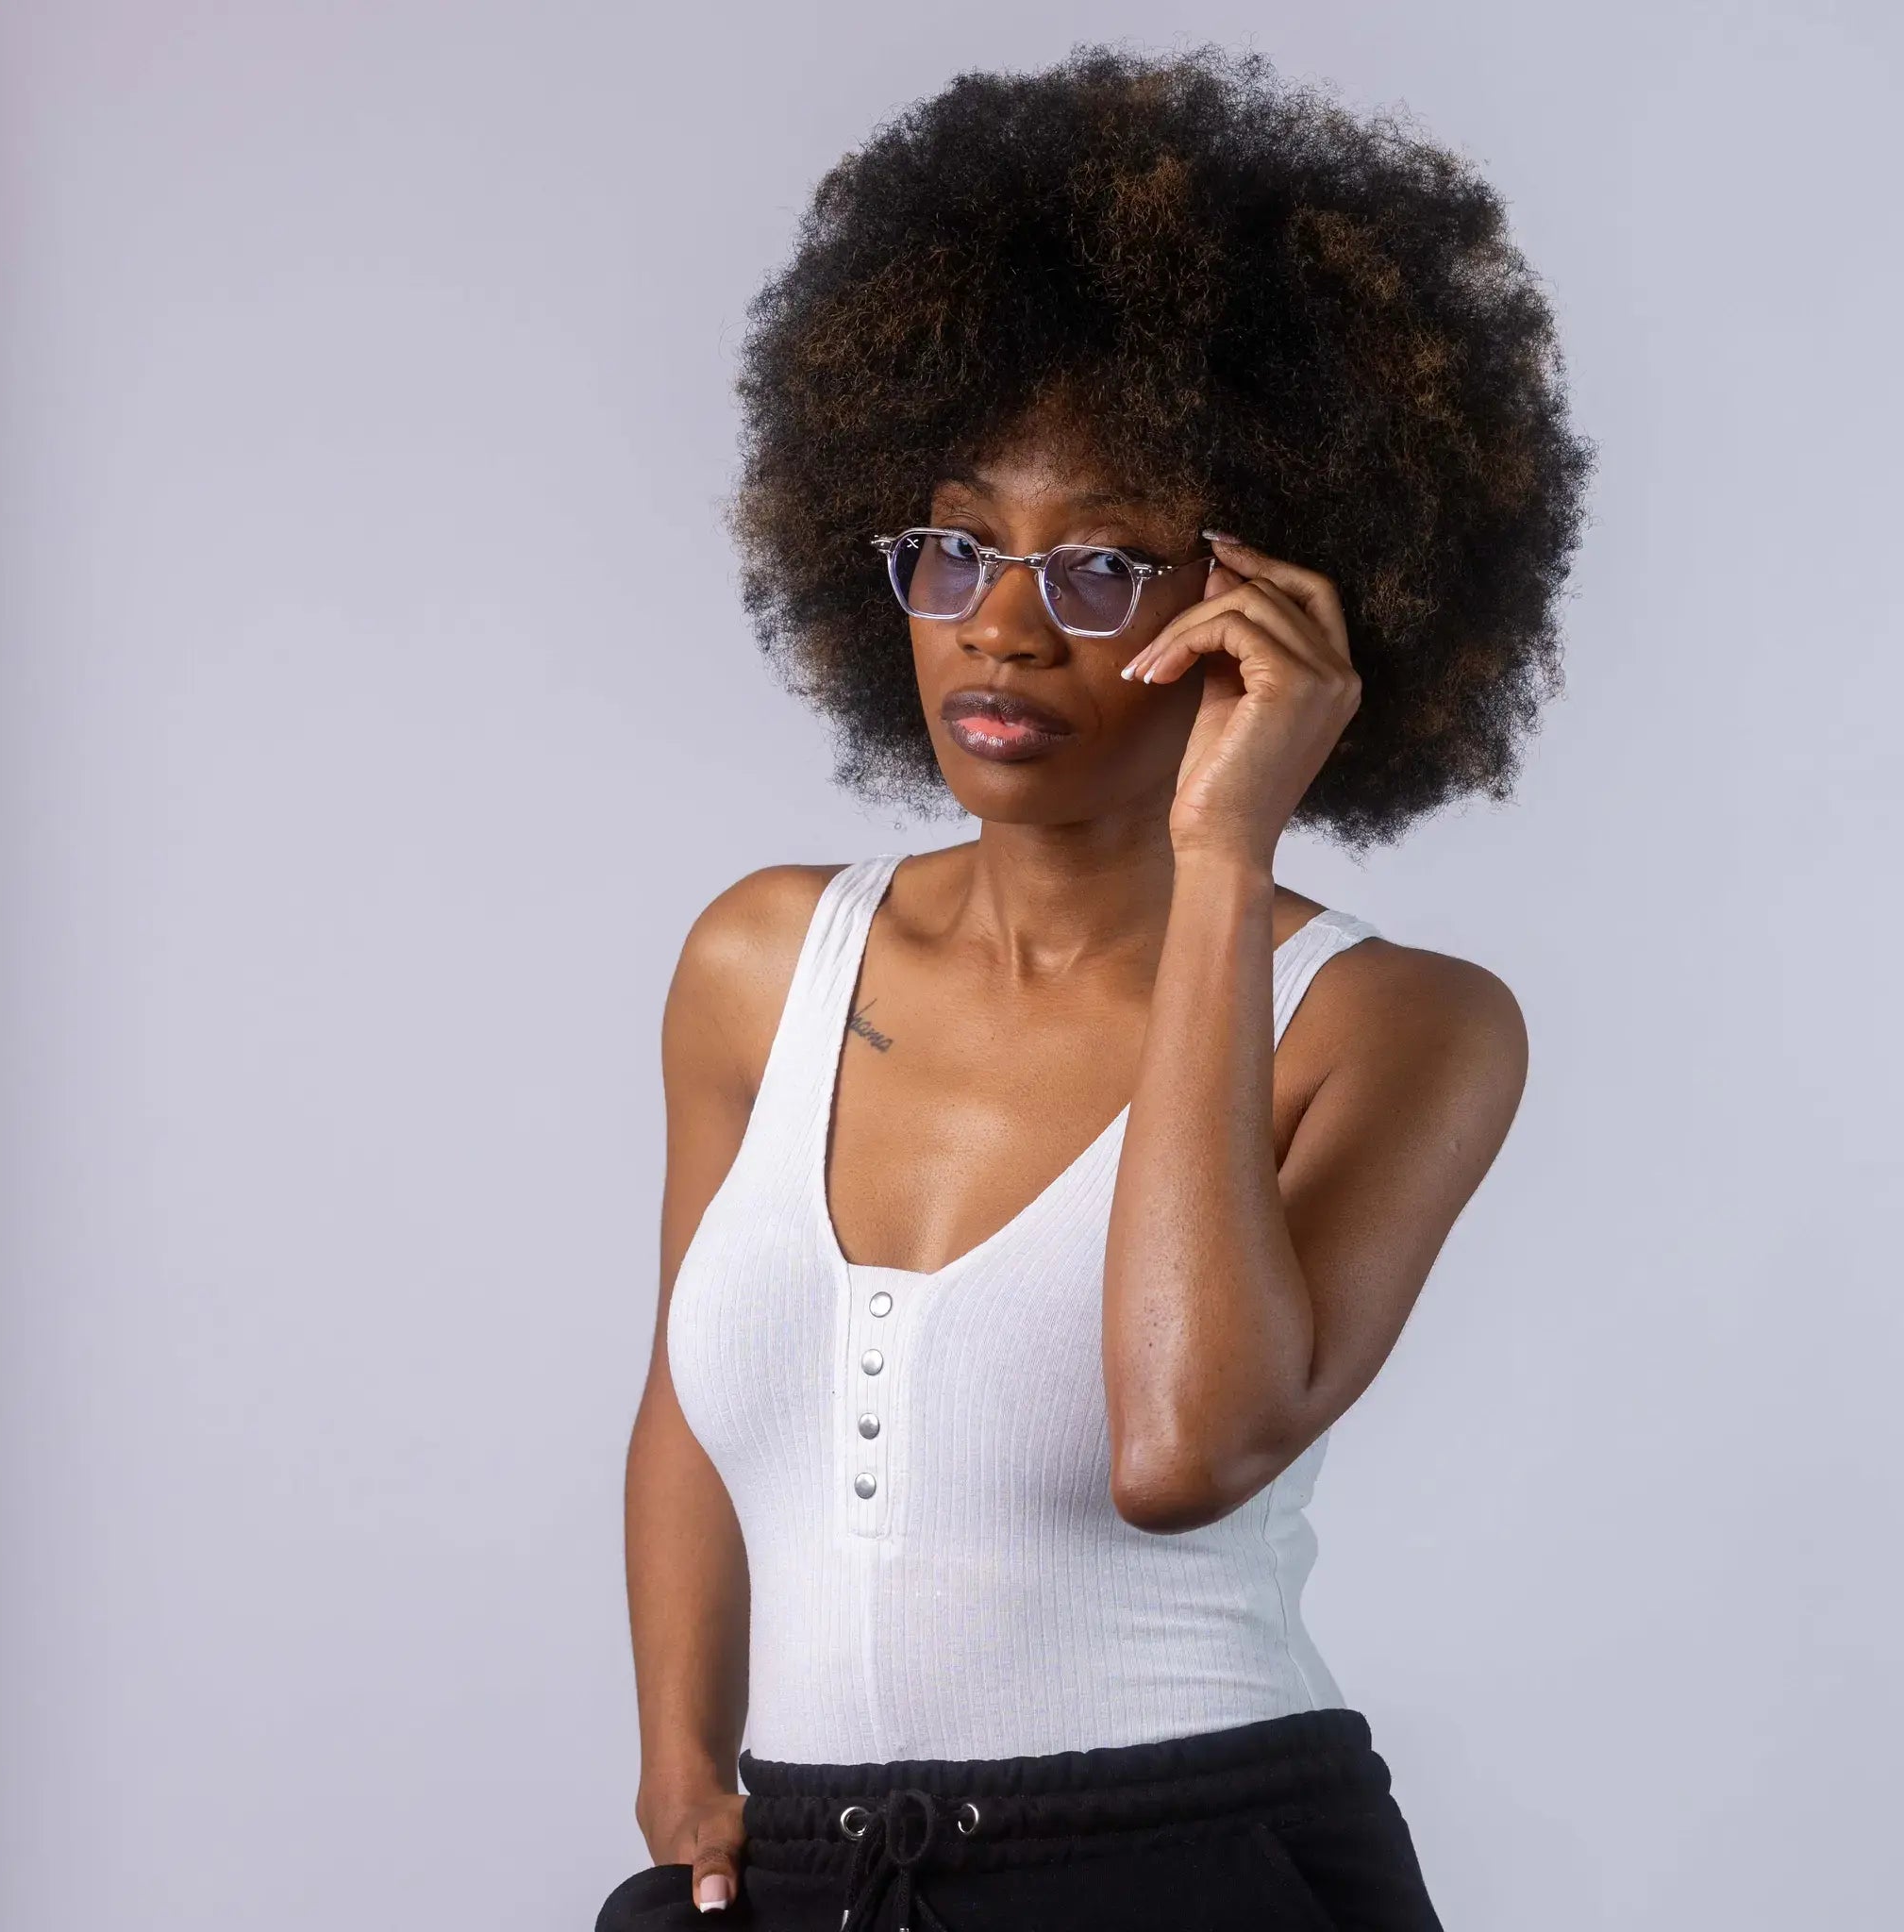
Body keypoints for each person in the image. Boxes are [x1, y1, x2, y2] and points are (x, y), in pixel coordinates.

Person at [601, 42, 1591, 1932]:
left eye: (1103, 564)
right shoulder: (759, 960)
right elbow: (687, 1401)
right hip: (808, 1874)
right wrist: (683, 1764)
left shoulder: (1402, 1023)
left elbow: (1182, 1445)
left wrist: (1226, 859)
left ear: (1273, 607)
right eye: (960, 541)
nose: (997, 619)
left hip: (1188, 1862)